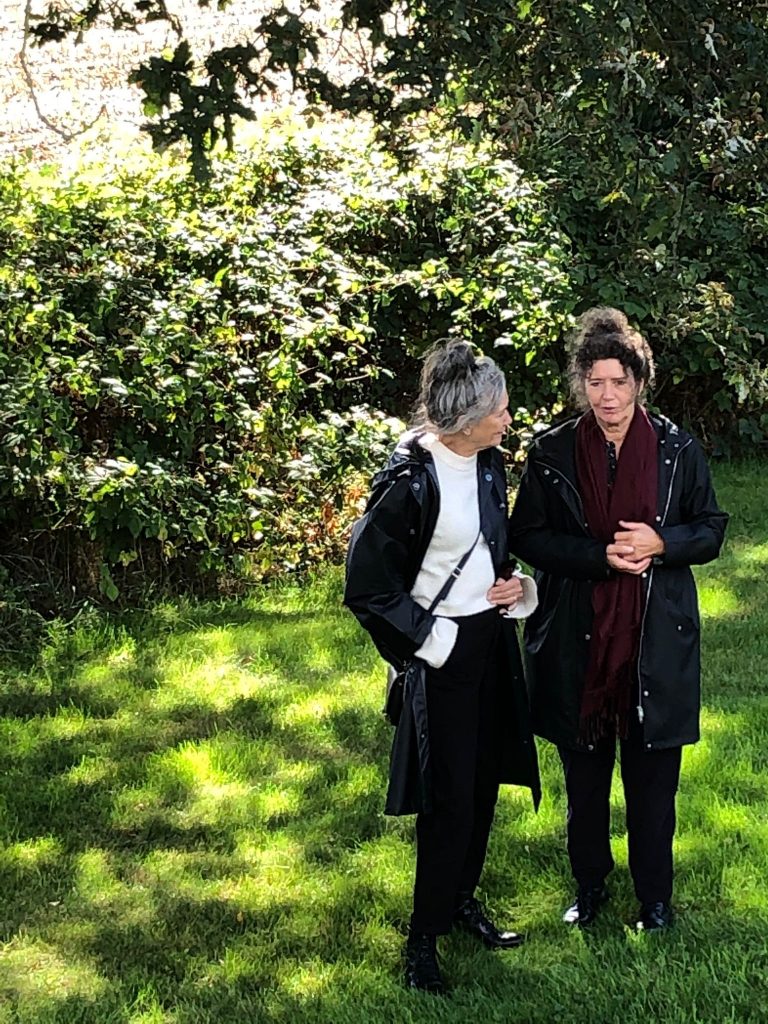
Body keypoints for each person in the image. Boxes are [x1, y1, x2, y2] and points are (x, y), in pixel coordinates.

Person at [509, 307, 728, 931]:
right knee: (584, 781)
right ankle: (590, 885)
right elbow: (529, 535)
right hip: (577, 641)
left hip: (655, 640)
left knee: (653, 782)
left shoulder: (677, 450)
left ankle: (654, 898)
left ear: (640, 382)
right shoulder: (552, 451)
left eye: (619, 382)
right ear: (581, 383)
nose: (607, 396)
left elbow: (710, 529)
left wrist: (662, 543)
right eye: (596, 382)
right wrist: (596, 556)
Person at [344, 339, 540, 994]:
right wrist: (433, 642)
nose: (508, 418)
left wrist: (515, 586)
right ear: (467, 419)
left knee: (484, 784)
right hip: (443, 656)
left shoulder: (489, 464)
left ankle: (459, 902)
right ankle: (422, 941)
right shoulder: (408, 481)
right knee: (448, 800)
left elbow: (491, 549)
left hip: (491, 644)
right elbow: (368, 587)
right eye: (500, 410)